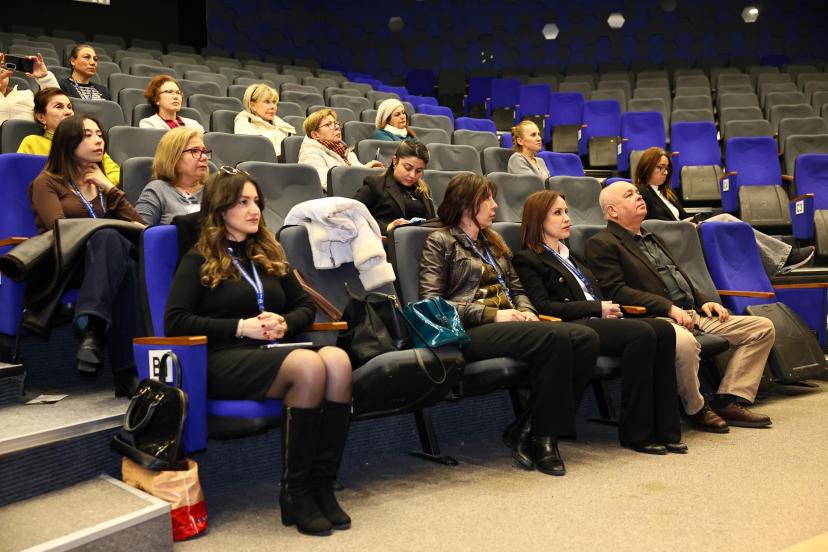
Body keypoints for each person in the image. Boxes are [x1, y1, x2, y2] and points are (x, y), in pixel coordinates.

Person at [164, 168, 353, 536]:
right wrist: (240, 326)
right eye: (243, 202)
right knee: (309, 366)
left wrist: (284, 323)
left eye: (256, 202)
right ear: (220, 209)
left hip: (272, 349)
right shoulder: (198, 258)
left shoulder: (268, 253)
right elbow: (175, 321)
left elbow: (303, 307)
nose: (254, 210)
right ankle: (295, 494)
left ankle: (322, 485)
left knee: (338, 361)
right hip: (223, 357)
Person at [419, 174, 599, 475]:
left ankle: (525, 427)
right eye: (487, 199)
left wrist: (526, 311)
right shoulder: (440, 241)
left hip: (512, 325)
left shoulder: (494, 241)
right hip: (470, 330)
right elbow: (432, 303)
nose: (495, 205)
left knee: (585, 338)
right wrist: (492, 314)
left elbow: (517, 289)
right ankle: (544, 439)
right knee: (555, 337)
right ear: (466, 204)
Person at [586, 180, 776, 433]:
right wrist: (667, 308)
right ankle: (696, 408)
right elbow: (616, 291)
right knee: (685, 343)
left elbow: (677, 276)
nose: (639, 196)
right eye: (629, 195)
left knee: (761, 328)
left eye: (638, 193)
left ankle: (728, 398)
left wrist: (704, 301)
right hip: (654, 318)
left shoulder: (651, 237)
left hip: (691, 313)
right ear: (612, 211)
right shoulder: (602, 243)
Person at [513, 190, 684, 454]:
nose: (567, 218)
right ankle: (637, 433)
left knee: (663, 329)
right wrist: (598, 308)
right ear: (538, 220)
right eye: (557, 213)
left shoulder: (572, 255)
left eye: (566, 211)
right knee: (641, 333)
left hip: (599, 320)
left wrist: (608, 309)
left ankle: (666, 429)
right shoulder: (528, 259)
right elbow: (544, 307)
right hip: (574, 324)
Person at [28, 114, 144, 394]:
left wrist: (109, 188)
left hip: (104, 265)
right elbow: (60, 232)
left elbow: (141, 228)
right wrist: (102, 229)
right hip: (64, 263)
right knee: (108, 237)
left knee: (126, 265)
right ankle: (124, 369)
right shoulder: (47, 182)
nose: (98, 141)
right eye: (88, 135)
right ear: (68, 142)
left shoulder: (101, 185)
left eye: (100, 135)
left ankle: (94, 330)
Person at [636, 147, 814, 277]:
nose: (665, 172)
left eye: (667, 168)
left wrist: (691, 220)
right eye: (660, 167)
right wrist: (683, 224)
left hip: (688, 233)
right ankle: (784, 257)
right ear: (647, 166)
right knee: (727, 219)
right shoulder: (641, 192)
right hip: (675, 241)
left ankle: (769, 266)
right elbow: (647, 226)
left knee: (731, 228)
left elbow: (682, 217)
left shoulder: (667, 194)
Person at [18, 88, 121, 184]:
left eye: (69, 107)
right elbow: (21, 178)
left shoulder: (87, 143)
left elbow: (116, 174)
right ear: (41, 117)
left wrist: (92, 185)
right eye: (59, 107)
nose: (68, 112)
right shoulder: (32, 142)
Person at [353, 140, 436, 235]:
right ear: (395, 161)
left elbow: (432, 222)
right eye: (408, 168)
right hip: (386, 240)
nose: (412, 175)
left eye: (418, 171)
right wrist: (387, 227)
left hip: (421, 241)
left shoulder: (423, 190)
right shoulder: (375, 184)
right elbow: (352, 215)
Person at [135, 128, 210, 225]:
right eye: (194, 151)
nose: (204, 157)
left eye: (204, 151)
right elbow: (140, 230)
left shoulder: (213, 191)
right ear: (173, 157)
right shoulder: (158, 190)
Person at [298, 108, 383, 192]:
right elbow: (328, 186)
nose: (337, 127)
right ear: (315, 135)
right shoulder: (310, 154)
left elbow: (354, 173)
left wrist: (367, 170)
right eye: (328, 124)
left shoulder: (344, 151)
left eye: (335, 123)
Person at [234, 83, 295, 156]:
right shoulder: (243, 122)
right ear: (252, 105)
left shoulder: (281, 124)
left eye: (274, 102)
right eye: (267, 102)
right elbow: (256, 150)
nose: (273, 107)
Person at [0, 52, 59, 125]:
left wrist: (44, 78)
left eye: (3, 68)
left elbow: (57, 102)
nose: (1, 71)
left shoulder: (26, 94)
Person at [138, 74, 204, 131]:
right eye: (169, 92)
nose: (176, 97)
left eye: (178, 93)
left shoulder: (194, 124)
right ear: (156, 99)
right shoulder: (149, 124)